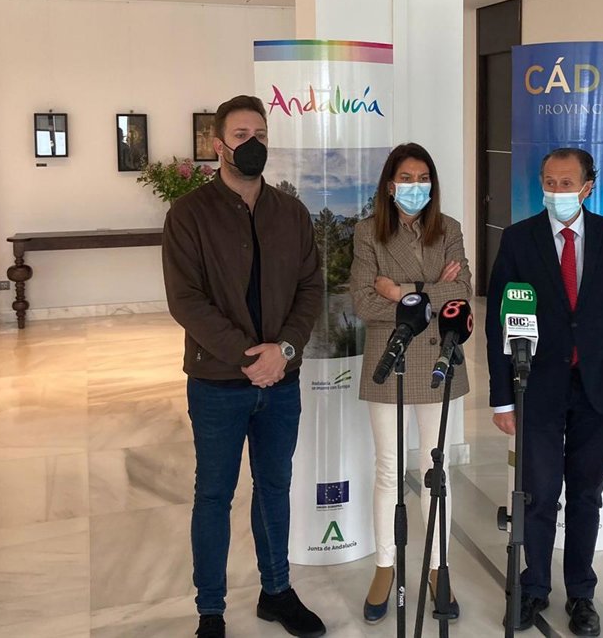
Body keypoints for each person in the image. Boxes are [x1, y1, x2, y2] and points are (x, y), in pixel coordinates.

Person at [163, 94, 326, 638]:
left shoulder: (291, 213)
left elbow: (310, 288)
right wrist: (246, 355)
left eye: (260, 133)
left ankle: (276, 592)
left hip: (282, 381)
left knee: (274, 487)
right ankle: (210, 610)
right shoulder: (188, 215)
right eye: (240, 135)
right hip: (217, 383)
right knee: (213, 495)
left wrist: (285, 350)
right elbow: (185, 300)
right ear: (218, 145)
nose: (252, 143)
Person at [486, 147, 603, 637]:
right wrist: (503, 396)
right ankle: (534, 587)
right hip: (536, 387)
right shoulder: (519, 239)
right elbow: (498, 321)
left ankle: (581, 593)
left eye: (566, 183)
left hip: (601, 389)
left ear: (587, 187)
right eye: (549, 182)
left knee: (586, 496)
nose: (557, 191)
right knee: (537, 495)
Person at [349, 143, 473, 624]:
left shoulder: (450, 229)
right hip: (390, 356)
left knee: (436, 469)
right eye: (406, 177)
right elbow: (364, 302)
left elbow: (462, 295)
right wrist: (432, 293)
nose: (415, 186)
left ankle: (439, 568)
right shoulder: (367, 233)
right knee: (388, 468)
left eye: (423, 178)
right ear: (389, 184)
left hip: (441, 355)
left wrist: (401, 291)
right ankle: (385, 566)